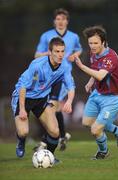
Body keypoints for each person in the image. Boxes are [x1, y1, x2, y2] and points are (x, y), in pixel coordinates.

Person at [11, 37, 75, 163]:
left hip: (41, 99)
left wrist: (69, 101)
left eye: (62, 51)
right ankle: (21, 141)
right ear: (50, 52)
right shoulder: (37, 65)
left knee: (55, 131)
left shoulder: (64, 68)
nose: (60, 54)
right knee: (23, 132)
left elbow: (70, 86)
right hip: (23, 97)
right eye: (57, 51)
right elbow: (23, 87)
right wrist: (23, 109)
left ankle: (49, 156)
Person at [75, 25, 118, 160]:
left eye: (95, 43)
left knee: (96, 129)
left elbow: (101, 75)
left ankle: (103, 152)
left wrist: (81, 66)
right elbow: (96, 72)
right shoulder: (94, 54)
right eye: (90, 43)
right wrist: (90, 82)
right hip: (98, 94)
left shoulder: (111, 57)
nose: (92, 46)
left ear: (103, 42)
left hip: (113, 98)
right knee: (87, 123)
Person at [34, 8, 82, 151]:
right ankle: (61, 135)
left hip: (63, 75)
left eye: (63, 19)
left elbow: (79, 49)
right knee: (55, 108)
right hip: (47, 76)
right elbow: (36, 55)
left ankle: (46, 141)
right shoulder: (46, 36)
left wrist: (75, 55)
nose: (61, 22)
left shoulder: (73, 37)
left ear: (67, 21)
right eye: (58, 19)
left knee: (52, 107)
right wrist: (47, 53)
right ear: (54, 21)